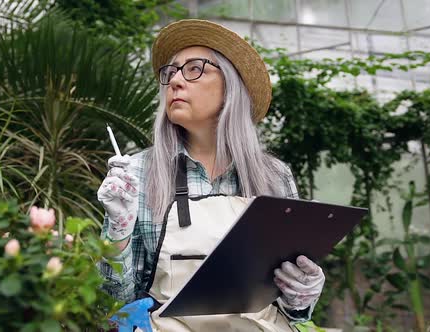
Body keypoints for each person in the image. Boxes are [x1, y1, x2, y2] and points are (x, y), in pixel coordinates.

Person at [97, 19, 325, 332]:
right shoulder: (136, 174)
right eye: (171, 72)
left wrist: (301, 294)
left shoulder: (275, 176)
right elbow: (113, 304)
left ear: (232, 84)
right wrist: (117, 233)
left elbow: (294, 310)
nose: (175, 80)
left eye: (193, 68)